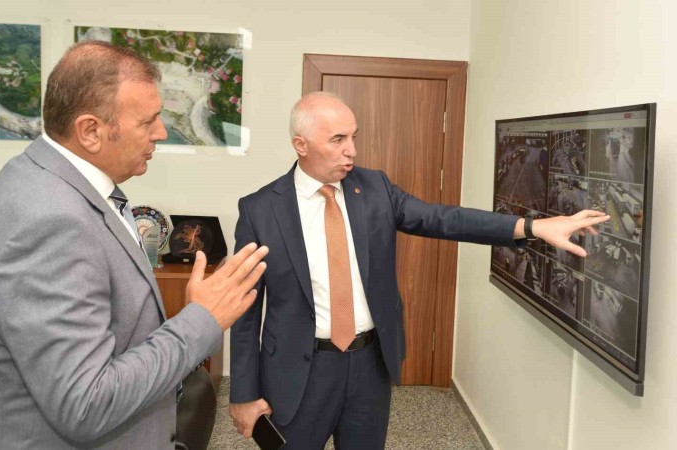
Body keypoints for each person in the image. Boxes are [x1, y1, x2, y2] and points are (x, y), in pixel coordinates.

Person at [228, 91, 608, 449]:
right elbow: (244, 312)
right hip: (298, 369)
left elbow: (444, 219)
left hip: (369, 366)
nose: (352, 151)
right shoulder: (259, 211)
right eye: (338, 140)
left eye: (354, 137)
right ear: (301, 144)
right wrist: (243, 394)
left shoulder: (374, 188)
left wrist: (531, 227)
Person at [0, 41, 268, 449]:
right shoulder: (52, 222)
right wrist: (202, 319)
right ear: (91, 131)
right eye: (148, 121)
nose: (161, 132)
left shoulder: (41, 177)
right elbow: (86, 404)